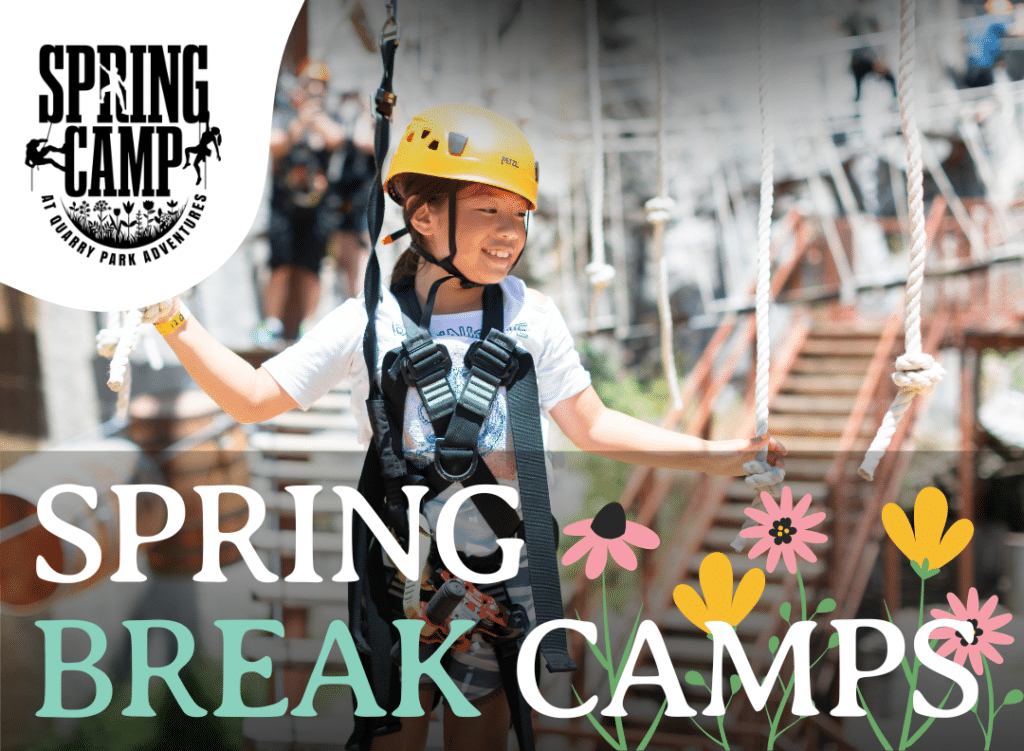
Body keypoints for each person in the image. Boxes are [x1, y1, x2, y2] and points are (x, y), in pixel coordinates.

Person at [147, 104, 785, 750]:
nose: (509, 232)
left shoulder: (532, 317)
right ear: (422, 215)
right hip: (402, 581)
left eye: (518, 215)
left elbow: (591, 424)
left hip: (500, 579)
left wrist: (713, 455)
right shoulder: (369, 323)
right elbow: (256, 397)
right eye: (488, 211)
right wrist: (173, 320)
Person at [255, 61, 345, 347]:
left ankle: (308, 325)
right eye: (310, 84)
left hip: (317, 207)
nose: (315, 90)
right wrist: (301, 121)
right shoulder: (284, 114)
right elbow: (275, 145)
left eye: (321, 86)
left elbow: (337, 140)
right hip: (284, 204)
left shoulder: (329, 116)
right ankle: (272, 325)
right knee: (279, 264)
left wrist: (314, 117)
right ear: (300, 88)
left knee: (312, 266)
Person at [324, 91, 376, 300]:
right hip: (341, 203)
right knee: (341, 265)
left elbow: (360, 139)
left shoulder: (378, 132)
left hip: (363, 206)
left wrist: (365, 111)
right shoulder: (347, 126)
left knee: (359, 264)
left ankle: (363, 312)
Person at [842, 0, 898, 103]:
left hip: (865, 58)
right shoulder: (861, 16)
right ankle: (894, 97)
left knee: (887, 78)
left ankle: (895, 97)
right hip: (865, 58)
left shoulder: (862, 15)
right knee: (887, 78)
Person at [963, 0, 1023, 88]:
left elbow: (964, 38)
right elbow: (1016, 31)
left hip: (971, 65)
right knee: (985, 95)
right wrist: (1020, 14)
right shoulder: (998, 19)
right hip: (984, 66)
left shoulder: (978, 20)